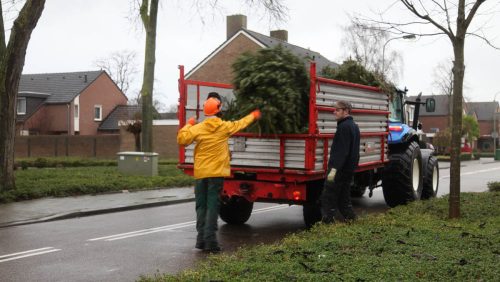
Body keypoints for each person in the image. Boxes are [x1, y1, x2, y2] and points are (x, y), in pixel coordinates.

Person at [177, 94, 261, 253]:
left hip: (201, 174)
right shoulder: (223, 127)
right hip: (215, 175)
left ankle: (201, 240)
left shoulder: (198, 128)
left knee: (201, 207)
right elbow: (240, 124)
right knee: (212, 207)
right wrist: (253, 115)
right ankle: (210, 242)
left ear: (206, 112)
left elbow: (182, 140)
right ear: (218, 111)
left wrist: (188, 124)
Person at [320, 100, 360, 224]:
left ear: (346, 111)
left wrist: (333, 171)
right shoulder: (354, 126)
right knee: (344, 197)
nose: (334, 112)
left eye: (337, 110)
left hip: (337, 170)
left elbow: (341, 153)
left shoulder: (343, 127)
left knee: (328, 194)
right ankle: (352, 220)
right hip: (348, 170)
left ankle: (328, 222)